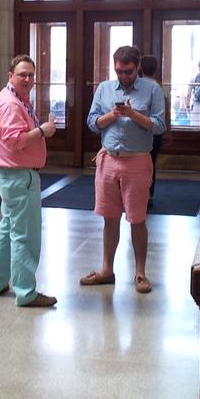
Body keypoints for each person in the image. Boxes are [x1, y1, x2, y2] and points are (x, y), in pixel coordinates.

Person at [80, 45, 165, 294]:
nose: (123, 76)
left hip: (137, 160)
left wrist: (132, 114)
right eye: (119, 71)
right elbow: (92, 122)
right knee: (109, 218)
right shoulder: (104, 88)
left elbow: (159, 126)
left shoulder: (152, 89)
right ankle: (107, 270)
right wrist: (113, 115)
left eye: (128, 71)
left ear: (137, 67)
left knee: (137, 219)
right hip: (108, 159)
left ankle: (140, 273)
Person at [0, 54, 58, 308]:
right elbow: (14, 140)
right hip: (19, 176)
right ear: (10, 76)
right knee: (25, 234)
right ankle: (26, 292)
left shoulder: (15, 98)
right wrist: (42, 131)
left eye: (31, 75)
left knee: (8, 228)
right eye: (22, 75)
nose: (27, 79)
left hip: (10, 174)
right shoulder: (10, 104)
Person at [139, 54, 167, 210]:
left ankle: (140, 192)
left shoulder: (139, 87)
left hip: (142, 131)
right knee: (151, 163)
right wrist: (167, 130)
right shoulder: (158, 87)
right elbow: (164, 112)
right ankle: (149, 194)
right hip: (155, 132)